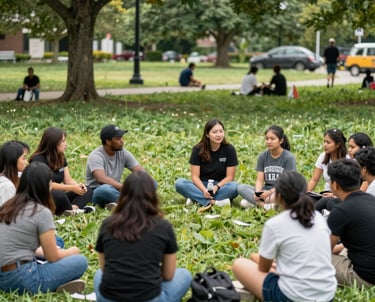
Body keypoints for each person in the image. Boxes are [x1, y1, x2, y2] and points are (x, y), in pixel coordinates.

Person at [232, 171, 337, 302]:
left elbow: (263, 268)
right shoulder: (319, 218)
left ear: (279, 196)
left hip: (292, 296)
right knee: (260, 260)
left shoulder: (275, 224)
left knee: (239, 264)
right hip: (327, 295)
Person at [94, 171, 192, 302]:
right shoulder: (163, 226)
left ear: (123, 195)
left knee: (98, 275)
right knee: (184, 275)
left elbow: (104, 268)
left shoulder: (107, 225)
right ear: (152, 195)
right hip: (149, 297)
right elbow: (168, 275)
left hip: (110, 298)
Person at [0, 162, 88, 294]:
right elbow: (52, 257)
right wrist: (72, 251)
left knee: (57, 241)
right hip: (23, 278)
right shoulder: (41, 211)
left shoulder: (9, 204)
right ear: (47, 186)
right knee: (80, 261)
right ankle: (55, 281)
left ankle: (57, 278)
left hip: (3, 276)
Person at [327, 159, 375, 287]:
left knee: (313, 259)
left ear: (335, 185)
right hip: (368, 261)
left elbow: (324, 251)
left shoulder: (341, 211)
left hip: (365, 278)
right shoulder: (371, 199)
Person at [175, 119, 238, 211]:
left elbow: (230, 177)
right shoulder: (197, 149)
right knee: (179, 183)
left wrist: (216, 187)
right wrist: (204, 191)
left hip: (220, 186)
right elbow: (195, 177)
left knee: (235, 187)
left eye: (221, 131)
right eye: (215, 132)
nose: (219, 135)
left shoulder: (229, 149)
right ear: (207, 134)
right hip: (201, 185)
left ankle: (196, 199)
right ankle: (213, 203)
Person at [30, 127, 93, 216]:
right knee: (58, 195)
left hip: (61, 196)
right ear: (53, 143)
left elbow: (68, 180)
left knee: (88, 190)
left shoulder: (61, 157)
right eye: (63, 141)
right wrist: (71, 188)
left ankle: (72, 209)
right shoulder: (39, 160)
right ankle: (71, 209)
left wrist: (78, 187)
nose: (66, 144)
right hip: (45, 197)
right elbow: (48, 185)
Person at [86, 124, 148, 209]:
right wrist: (125, 188)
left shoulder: (123, 153)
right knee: (105, 189)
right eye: (118, 139)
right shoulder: (96, 156)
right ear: (108, 142)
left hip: (116, 190)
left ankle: (120, 203)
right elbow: (101, 179)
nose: (122, 141)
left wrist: (140, 183)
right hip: (97, 192)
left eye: (122, 138)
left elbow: (140, 171)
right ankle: (134, 203)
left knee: (150, 182)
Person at [238, 125, 296, 209]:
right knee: (241, 187)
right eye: (267, 139)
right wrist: (258, 193)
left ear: (281, 140)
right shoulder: (263, 156)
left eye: (272, 139)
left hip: (281, 190)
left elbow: (286, 183)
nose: (269, 141)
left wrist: (269, 192)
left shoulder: (289, 157)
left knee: (282, 196)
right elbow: (259, 179)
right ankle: (266, 206)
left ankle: (257, 204)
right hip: (265, 189)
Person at [307, 128, 347, 196]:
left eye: (328, 142)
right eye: (324, 142)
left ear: (338, 144)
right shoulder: (323, 157)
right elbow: (314, 180)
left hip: (343, 195)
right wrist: (304, 195)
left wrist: (334, 195)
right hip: (326, 193)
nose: (325, 145)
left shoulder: (348, 159)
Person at [0, 141, 29, 206]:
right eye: (24, 158)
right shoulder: (7, 186)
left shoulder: (7, 177)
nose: (26, 162)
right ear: (13, 160)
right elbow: (8, 213)